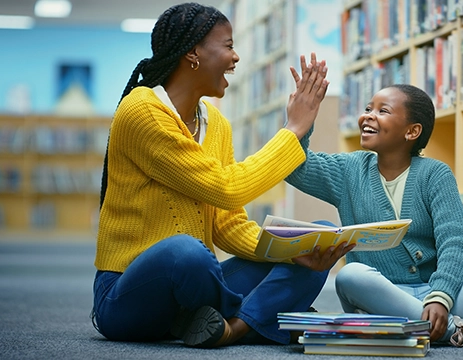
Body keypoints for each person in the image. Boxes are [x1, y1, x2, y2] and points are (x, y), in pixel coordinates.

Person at [91, 3, 352, 349]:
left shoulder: (217, 126)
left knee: (317, 237)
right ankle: (263, 316)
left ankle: (232, 328)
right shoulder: (142, 111)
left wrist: (293, 251)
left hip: (195, 294)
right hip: (126, 294)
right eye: (228, 45)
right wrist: (293, 130)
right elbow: (227, 188)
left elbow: (228, 225)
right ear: (193, 53)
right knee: (186, 252)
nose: (236, 57)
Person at [284, 80, 463, 347]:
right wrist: (301, 121)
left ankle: (397, 325)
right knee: (350, 277)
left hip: (433, 290)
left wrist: (440, 296)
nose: (367, 116)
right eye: (367, 108)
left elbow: (454, 240)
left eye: (382, 111)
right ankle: (460, 330)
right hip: (379, 292)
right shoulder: (349, 170)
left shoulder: (435, 174)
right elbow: (294, 167)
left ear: (412, 132)